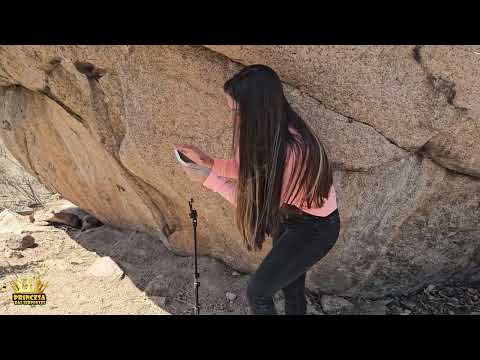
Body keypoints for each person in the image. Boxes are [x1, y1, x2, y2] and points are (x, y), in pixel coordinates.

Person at [175, 64, 340, 315]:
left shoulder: (292, 149)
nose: (235, 118)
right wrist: (209, 162)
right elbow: (249, 170)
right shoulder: (266, 130)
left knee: (258, 293)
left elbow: (258, 205)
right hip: (288, 215)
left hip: (315, 228)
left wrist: (210, 180)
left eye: (239, 111)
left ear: (258, 109)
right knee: (291, 287)